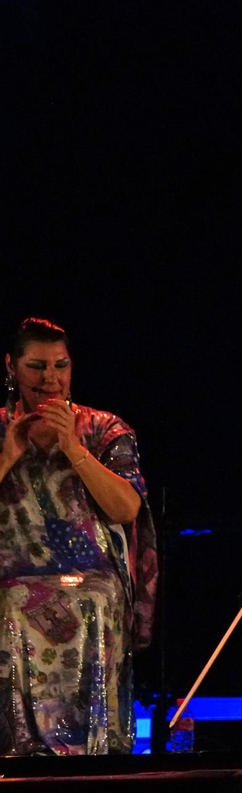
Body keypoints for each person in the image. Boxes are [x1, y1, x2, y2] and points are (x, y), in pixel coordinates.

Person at [0, 318, 156, 754]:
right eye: (36, 367)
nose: (50, 379)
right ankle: (19, 750)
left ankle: (93, 751)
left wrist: (74, 448)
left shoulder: (105, 428)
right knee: (12, 601)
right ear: (11, 367)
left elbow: (126, 508)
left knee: (96, 598)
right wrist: (9, 455)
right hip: (10, 573)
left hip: (90, 572)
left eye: (60, 366)